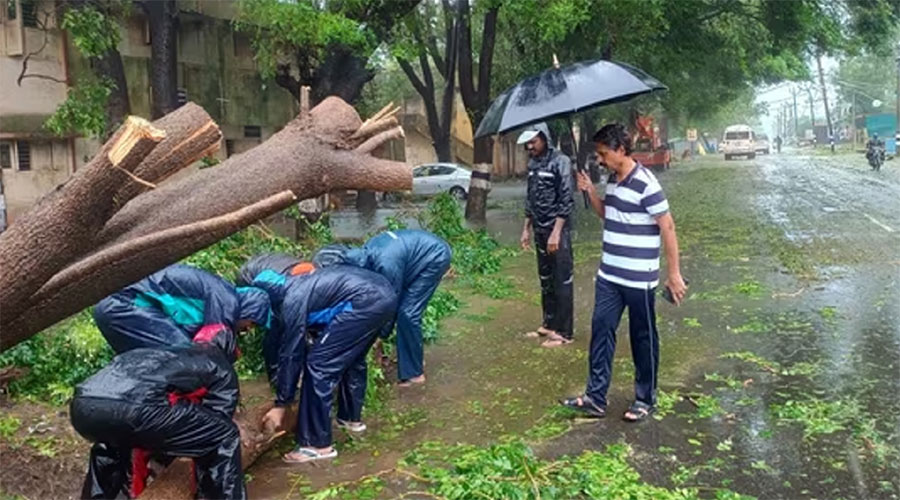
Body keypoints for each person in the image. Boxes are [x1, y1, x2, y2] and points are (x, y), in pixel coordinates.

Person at [560, 123, 686, 422]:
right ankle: (595, 397)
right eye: (598, 154)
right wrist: (591, 190)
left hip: (639, 277)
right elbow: (609, 214)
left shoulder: (646, 182)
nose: (600, 159)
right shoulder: (613, 180)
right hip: (609, 275)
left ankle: (645, 398)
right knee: (601, 331)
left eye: (604, 153)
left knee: (643, 337)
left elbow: (667, 226)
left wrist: (674, 274)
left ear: (620, 149)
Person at [71, 330, 245, 499]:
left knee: (111, 442)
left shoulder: (163, 352)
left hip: (82, 408)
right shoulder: (219, 363)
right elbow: (212, 430)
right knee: (225, 436)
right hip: (137, 409)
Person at [257, 265, 397, 463]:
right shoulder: (298, 285)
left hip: (365, 300)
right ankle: (350, 419)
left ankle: (316, 445)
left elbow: (291, 353)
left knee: (318, 366)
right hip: (384, 294)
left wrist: (282, 404)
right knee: (352, 357)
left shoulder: (291, 300)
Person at [312, 230, 452, 385]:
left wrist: (379, 337)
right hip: (411, 257)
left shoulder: (385, 264)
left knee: (408, 313)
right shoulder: (365, 255)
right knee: (395, 309)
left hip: (434, 256)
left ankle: (415, 374)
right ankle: (412, 358)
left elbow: (389, 306)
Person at [93, 264, 271, 354]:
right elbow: (210, 347)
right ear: (249, 309)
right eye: (252, 322)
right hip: (126, 304)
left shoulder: (216, 297)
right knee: (186, 358)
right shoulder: (227, 300)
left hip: (110, 306)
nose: (248, 329)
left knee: (145, 366)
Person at [517, 122, 575, 347]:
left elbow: (566, 199)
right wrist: (526, 228)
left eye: (533, 141)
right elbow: (530, 198)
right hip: (540, 229)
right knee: (546, 279)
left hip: (557, 231)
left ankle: (564, 332)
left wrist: (556, 233)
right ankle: (549, 323)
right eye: (527, 143)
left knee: (562, 279)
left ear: (545, 138)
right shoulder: (533, 163)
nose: (530, 146)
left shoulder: (561, 161)